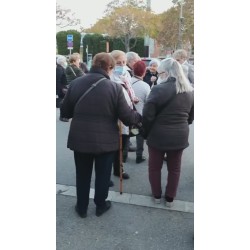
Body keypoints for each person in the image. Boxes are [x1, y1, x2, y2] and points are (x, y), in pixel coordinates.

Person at [60, 52, 142, 218]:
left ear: (94, 64)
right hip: (106, 141)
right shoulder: (114, 88)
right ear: (109, 68)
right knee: (103, 175)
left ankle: (81, 207)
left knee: (82, 175)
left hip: (80, 139)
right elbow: (126, 117)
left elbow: (65, 111)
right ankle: (100, 205)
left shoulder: (76, 83)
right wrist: (140, 117)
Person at [142, 57, 194, 207]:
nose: (158, 75)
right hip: (180, 135)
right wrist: (182, 124)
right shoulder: (190, 91)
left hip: (158, 135)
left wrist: (145, 133)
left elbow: (147, 115)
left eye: (160, 73)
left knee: (154, 167)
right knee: (175, 168)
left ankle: (157, 195)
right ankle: (170, 198)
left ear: (165, 72)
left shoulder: (158, 89)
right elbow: (191, 116)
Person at [110, 50, 139, 180]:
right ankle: (107, 173)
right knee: (113, 146)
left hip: (127, 111)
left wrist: (133, 97)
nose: (122, 65)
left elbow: (129, 89)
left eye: (124, 62)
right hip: (114, 116)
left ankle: (119, 168)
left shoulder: (126, 73)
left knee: (123, 144)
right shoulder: (109, 77)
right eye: (118, 62)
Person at [131, 61, 150, 164]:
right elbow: (149, 102)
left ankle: (124, 155)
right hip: (140, 116)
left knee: (127, 134)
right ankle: (139, 156)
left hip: (128, 114)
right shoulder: (145, 86)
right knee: (139, 135)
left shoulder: (127, 82)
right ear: (144, 72)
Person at [126, 51, 141, 152]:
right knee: (130, 124)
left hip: (128, 101)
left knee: (129, 125)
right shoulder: (126, 71)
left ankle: (127, 144)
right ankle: (126, 146)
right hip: (127, 102)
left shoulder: (127, 70)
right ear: (131, 61)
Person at [56, 55, 69, 122]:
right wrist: (58, 92)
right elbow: (58, 80)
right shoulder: (59, 69)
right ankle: (62, 116)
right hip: (61, 89)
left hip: (62, 88)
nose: (66, 62)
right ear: (62, 62)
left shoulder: (60, 68)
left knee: (63, 103)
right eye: (65, 61)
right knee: (62, 103)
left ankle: (63, 116)